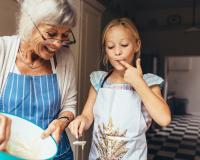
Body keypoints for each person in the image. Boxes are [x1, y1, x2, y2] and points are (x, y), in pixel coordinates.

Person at [68, 17, 171, 160]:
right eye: (110, 47)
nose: (117, 52)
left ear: (137, 45)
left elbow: (164, 119)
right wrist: (81, 121)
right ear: (105, 50)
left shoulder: (149, 82)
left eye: (124, 44)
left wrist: (138, 83)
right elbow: (87, 116)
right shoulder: (99, 81)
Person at [0, 0, 77, 159]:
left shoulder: (66, 58)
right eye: (51, 34)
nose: (57, 44)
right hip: (9, 153)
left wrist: (61, 122)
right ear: (30, 24)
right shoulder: (3, 50)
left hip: (56, 154)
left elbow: (69, 104)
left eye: (64, 36)